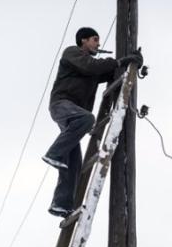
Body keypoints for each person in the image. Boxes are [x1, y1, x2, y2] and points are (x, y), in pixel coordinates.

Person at [42, 27, 141, 217]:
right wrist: (120, 60)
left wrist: (132, 63)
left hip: (74, 114)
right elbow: (92, 66)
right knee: (87, 119)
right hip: (62, 105)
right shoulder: (72, 53)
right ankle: (54, 154)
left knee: (74, 162)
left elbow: (107, 72)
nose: (98, 43)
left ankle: (61, 204)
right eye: (95, 40)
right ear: (83, 41)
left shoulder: (90, 68)